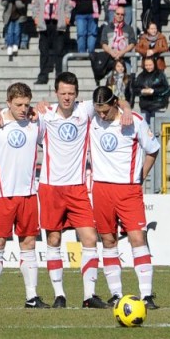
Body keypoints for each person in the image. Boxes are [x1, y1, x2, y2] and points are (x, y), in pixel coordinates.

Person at [28, 73, 112, 309]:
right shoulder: (45, 114)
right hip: (50, 187)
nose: (67, 98)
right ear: (56, 93)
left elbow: (113, 100)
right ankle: (59, 295)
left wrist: (125, 109)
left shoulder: (85, 110)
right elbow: (21, 117)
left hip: (77, 188)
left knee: (90, 237)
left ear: (77, 94)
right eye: (63, 93)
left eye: (71, 93)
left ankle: (89, 296)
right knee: (53, 240)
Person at [0, 82, 48, 309]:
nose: (23, 109)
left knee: (29, 244)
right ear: (8, 103)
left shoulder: (37, 124)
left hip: (27, 193)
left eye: (26, 104)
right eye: (18, 104)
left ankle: (31, 297)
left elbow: (53, 144)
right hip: (1, 194)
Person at [88, 86, 160, 309]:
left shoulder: (134, 121)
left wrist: (141, 176)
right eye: (98, 111)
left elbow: (153, 150)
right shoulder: (91, 120)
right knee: (108, 241)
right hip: (101, 189)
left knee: (137, 238)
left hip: (128, 190)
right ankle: (116, 294)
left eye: (105, 111)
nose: (101, 115)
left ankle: (146, 295)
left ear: (115, 104)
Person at [32, 0, 72, 85]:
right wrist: (36, 20)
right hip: (44, 23)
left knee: (59, 51)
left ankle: (59, 77)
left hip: (57, 23)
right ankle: (43, 76)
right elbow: (35, 6)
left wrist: (65, 20)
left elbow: (68, 6)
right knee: (43, 51)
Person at [132, 57, 170, 125]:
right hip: (145, 106)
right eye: (146, 65)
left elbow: (166, 88)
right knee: (146, 127)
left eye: (150, 65)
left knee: (156, 127)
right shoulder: (140, 76)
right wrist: (142, 91)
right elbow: (135, 89)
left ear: (154, 64)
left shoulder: (160, 74)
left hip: (157, 105)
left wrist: (154, 91)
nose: (148, 67)